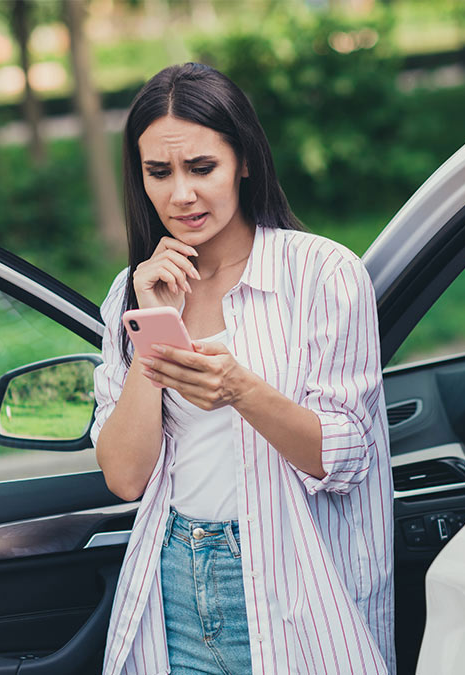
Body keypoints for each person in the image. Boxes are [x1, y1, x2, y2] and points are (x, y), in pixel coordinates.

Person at [91, 63, 394, 675]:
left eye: (202, 168)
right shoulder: (132, 292)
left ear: (245, 161)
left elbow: (345, 456)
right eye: (159, 172)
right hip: (174, 575)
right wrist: (153, 333)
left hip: (294, 583)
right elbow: (125, 477)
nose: (181, 194)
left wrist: (240, 389)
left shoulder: (322, 275)